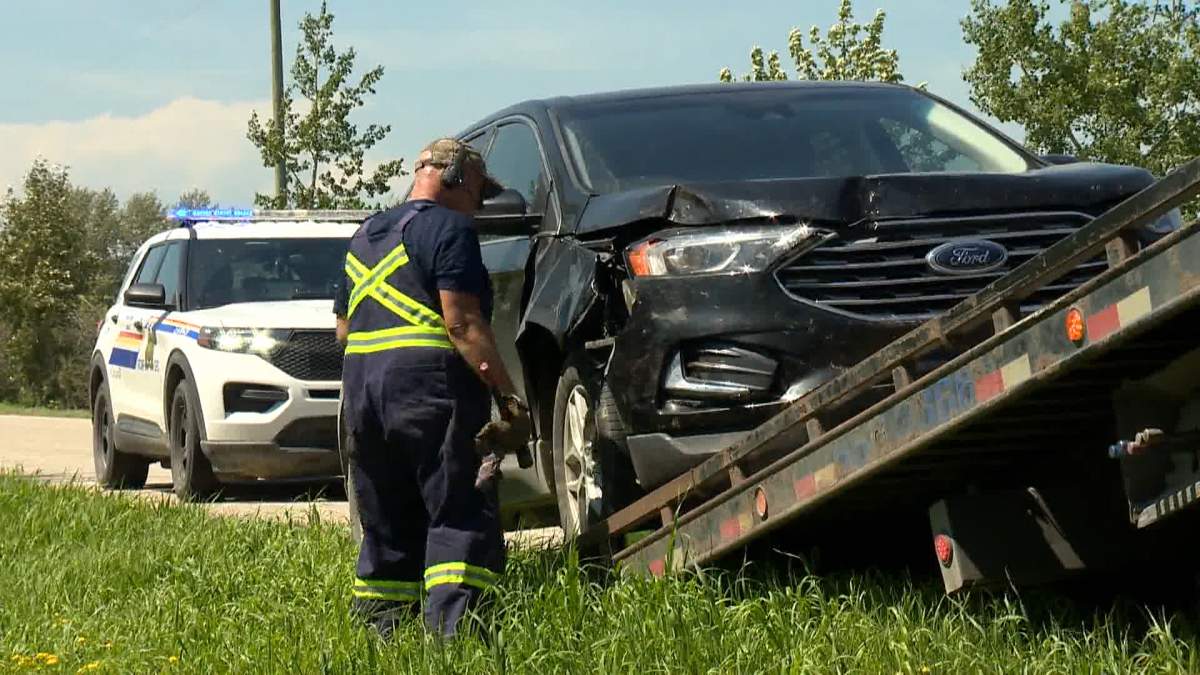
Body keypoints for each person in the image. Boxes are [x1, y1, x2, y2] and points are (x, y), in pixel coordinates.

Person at [333, 138, 531, 639]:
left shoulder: (366, 234)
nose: (479, 208)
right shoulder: (451, 229)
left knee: (386, 519)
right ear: (457, 178)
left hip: (361, 395)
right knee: (459, 507)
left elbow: (343, 330)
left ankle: (381, 638)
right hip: (428, 391)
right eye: (480, 195)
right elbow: (462, 324)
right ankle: (457, 640)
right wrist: (509, 400)